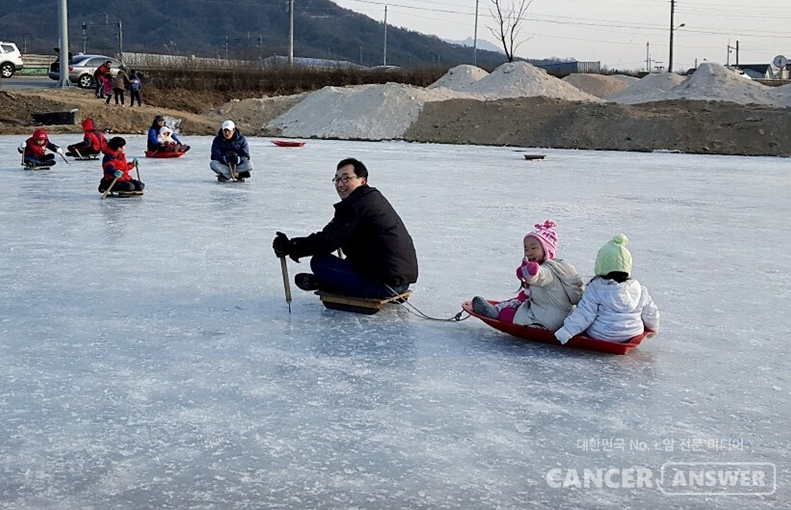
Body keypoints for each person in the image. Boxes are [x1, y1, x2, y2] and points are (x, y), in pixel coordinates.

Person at [272, 158, 419, 298]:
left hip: (384, 284)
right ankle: (334, 283)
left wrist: (291, 246)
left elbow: (328, 241)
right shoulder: (370, 198)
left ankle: (329, 285)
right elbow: (337, 235)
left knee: (320, 262)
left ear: (363, 180)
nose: (340, 184)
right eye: (337, 179)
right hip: (400, 280)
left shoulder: (356, 205)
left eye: (346, 178)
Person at [471, 220, 584, 331]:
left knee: (510, 315)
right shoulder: (559, 267)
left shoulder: (547, 269)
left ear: (547, 249)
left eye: (534, 248)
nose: (529, 252)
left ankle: (497, 312)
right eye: (526, 249)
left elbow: (541, 277)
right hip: (561, 317)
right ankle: (504, 306)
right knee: (521, 298)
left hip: (544, 320)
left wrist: (531, 272)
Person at [554, 234, 659, 344]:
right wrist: (653, 328)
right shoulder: (639, 289)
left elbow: (585, 313)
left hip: (603, 334)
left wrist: (566, 331)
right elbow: (650, 311)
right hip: (633, 332)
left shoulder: (597, 288)